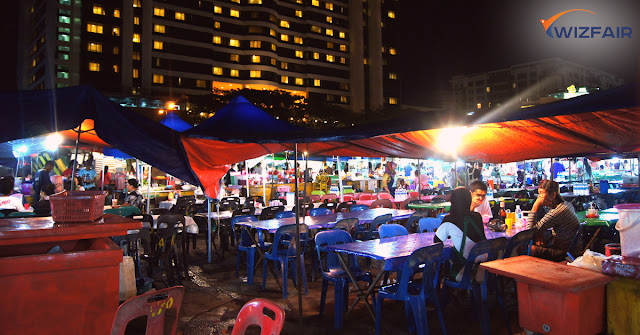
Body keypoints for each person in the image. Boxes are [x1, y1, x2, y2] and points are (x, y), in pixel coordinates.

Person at [435, 187, 486, 281]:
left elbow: (437, 242)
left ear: (453, 202)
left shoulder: (449, 219)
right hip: (484, 268)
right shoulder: (477, 217)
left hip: (465, 272)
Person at [526, 180, 580, 261]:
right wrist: (539, 233)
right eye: (539, 193)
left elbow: (529, 231)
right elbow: (542, 225)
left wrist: (535, 206)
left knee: (524, 248)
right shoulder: (566, 205)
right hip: (570, 249)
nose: (539, 197)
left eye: (542, 193)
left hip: (563, 253)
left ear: (553, 195)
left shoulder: (558, 211)